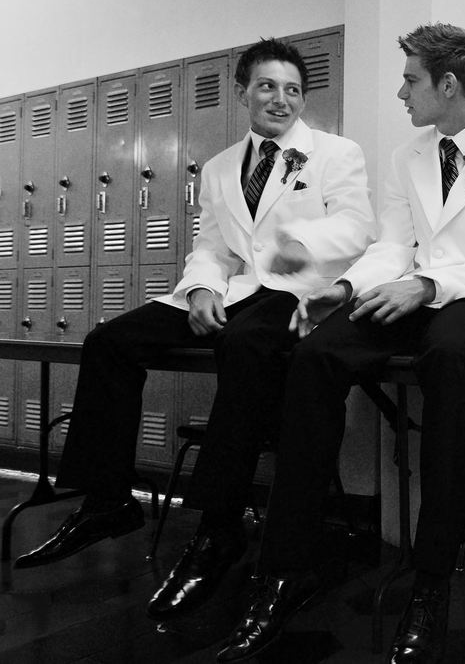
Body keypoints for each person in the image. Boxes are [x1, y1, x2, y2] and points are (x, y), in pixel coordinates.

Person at [211, 23, 465, 663]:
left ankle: (431, 579)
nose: (401, 92)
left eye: (410, 79)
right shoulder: (407, 156)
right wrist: (344, 289)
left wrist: (428, 285)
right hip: (404, 289)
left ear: (446, 84)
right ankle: (287, 566)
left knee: (451, 357)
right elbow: (393, 244)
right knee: (317, 352)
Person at [15, 38, 376, 600]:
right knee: (109, 341)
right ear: (243, 93)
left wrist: (298, 242)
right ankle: (106, 500)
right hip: (232, 291)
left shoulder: (337, 152)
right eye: (267, 86)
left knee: (246, 346)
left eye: (293, 90)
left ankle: (217, 527)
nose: (281, 100)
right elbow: (211, 243)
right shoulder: (219, 167)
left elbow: (357, 227)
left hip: (294, 291)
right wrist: (204, 286)